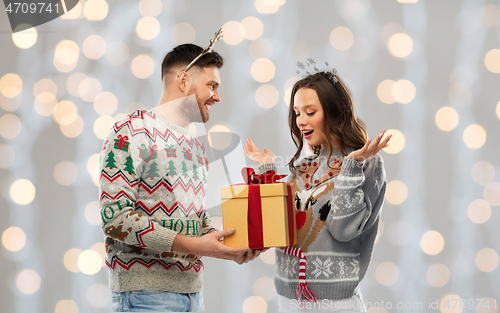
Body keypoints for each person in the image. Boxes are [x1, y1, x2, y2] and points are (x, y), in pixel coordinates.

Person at [99, 43, 261, 312]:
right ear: (184, 80)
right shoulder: (131, 131)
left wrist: (229, 244)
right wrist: (199, 245)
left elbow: (195, 219)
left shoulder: (194, 143)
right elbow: (115, 218)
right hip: (145, 297)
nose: (217, 97)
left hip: (193, 295)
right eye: (212, 86)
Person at [245, 70, 390, 312]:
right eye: (297, 113)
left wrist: (352, 165)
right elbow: (275, 228)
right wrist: (267, 169)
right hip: (288, 301)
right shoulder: (302, 167)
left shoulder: (368, 165)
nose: (301, 121)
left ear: (335, 111)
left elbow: (343, 230)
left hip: (336, 305)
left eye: (310, 112)